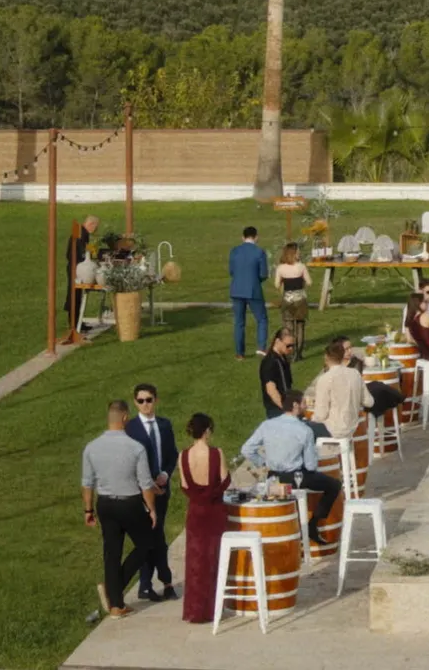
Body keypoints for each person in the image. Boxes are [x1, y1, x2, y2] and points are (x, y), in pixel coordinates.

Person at [80, 399, 159, 619]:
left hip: (105, 504)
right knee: (145, 544)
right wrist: (151, 509)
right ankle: (113, 589)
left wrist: (88, 510)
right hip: (130, 503)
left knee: (111, 552)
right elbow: (145, 483)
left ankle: (116, 604)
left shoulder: (92, 447)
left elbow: (87, 482)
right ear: (125, 418)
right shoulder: (135, 447)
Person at [241, 390, 340, 545]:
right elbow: (310, 465)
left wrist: (264, 463)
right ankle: (313, 524)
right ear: (295, 405)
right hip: (296, 478)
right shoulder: (304, 430)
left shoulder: (267, 425)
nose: (305, 406)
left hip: (273, 477)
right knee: (334, 485)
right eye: (303, 403)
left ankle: (302, 527)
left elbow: (246, 449)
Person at [177, 412, 228, 625]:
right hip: (214, 510)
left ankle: (195, 609)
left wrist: (199, 498)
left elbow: (185, 486)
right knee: (214, 557)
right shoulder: (216, 453)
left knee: (195, 560)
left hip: (196, 511)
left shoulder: (183, 455)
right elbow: (225, 480)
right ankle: (212, 608)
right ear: (207, 430)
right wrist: (212, 494)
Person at [128, 383, 178, 601]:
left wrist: (165, 475)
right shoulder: (131, 429)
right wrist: (147, 483)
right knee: (151, 537)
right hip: (141, 491)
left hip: (162, 489)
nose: (145, 404)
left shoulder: (164, 425)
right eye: (141, 401)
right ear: (135, 403)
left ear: (156, 400)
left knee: (156, 535)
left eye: (149, 400)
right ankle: (154, 582)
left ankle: (153, 585)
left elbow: (172, 455)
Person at [307, 338, 373, 439]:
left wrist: (310, 419)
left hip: (332, 429)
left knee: (301, 428)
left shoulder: (325, 379)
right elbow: (369, 402)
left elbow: (321, 415)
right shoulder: (355, 374)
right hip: (352, 427)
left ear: (326, 357)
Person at [228, 226, 270, 360]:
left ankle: (239, 353)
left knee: (239, 322)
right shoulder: (259, 252)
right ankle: (261, 347)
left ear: (243, 237)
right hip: (253, 289)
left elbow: (231, 271)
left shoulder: (234, 251)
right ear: (256, 237)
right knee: (261, 319)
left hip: (236, 289)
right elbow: (263, 273)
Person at [274, 244, 310, 361]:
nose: (299, 253)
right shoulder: (301, 266)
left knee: (288, 328)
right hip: (300, 300)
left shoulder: (281, 268)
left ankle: (289, 353)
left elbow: (276, 285)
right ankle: (298, 354)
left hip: (287, 300)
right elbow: (309, 282)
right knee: (300, 327)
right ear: (294, 253)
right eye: (298, 251)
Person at [65, 215, 99, 338]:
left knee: (77, 295)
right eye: (96, 227)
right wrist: (93, 254)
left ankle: (77, 322)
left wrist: (93, 250)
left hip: (76, 266)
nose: (96, 230)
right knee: (75, 295)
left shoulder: (81, 232)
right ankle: (73, 324)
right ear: (91, 224)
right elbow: (81, 251)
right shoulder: (81, 234)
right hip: (76, 268)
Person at [259, 326, 296, 418]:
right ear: (278, 341)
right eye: (288, 345)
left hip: (285, 405)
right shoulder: (270, 362)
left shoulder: (282, 358)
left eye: (293, 345)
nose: (291, 348)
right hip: (276, 410)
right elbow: (271, 389)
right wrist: (285, 409)